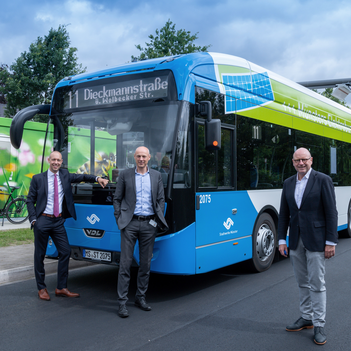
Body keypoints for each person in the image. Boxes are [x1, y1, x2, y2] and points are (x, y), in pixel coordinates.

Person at [27, 151, 109, 301]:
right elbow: (29, 200)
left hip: (58, 222)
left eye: (58, 160)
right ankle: (41, 288)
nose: (56, 162)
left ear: (61, 161)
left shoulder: (65, 175)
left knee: (65, 252)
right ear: (48, 160)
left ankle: (61, 288)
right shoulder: (38, 179)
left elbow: (83, 177)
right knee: (39, 255)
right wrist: (34, 221)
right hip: (43, 221)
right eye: (53, 160)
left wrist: (98, 178)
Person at [278, 147, 338, 346]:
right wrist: (281, 240)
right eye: (297, 160)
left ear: (311, 160)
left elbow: (331, 212)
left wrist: (331, 241)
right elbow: (283, 214)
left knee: (317, 283)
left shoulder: (323, 180)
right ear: (293, 162)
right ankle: (306, 318)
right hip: (295, 240)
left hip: (317, 240)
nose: (300, 163)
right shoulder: (288, 183)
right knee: (302, 281)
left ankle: (319, 323)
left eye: (304, 159)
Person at [113, 146, 168, 318]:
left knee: (145, 264)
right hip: (129, 224)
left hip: (148, 225)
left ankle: (140, 297)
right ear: (134, 157)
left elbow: (160, 199)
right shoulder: (125, 175)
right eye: (138, 156)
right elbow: (117, 198)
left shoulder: (156, 176)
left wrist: (156, 222)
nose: (141, 159)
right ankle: (122, 303)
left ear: (149, 157)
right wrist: (119, 218)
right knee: (125, 264)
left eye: (144, 156)